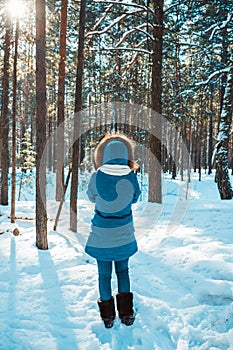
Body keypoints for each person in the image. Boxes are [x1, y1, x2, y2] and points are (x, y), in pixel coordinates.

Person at [85, 133, 141, 328]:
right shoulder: (131, 177)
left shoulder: (97, 176)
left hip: (101, 233)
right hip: (124, 233)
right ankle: (126, 314)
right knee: (123, 271)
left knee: (104, 275)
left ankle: (108, 317)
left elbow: (92, 197)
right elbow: (135, 199)